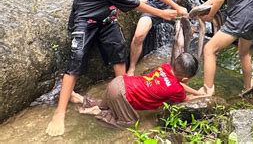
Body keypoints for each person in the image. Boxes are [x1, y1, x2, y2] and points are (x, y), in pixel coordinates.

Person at [46, 0, 188, 136]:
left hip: (105, 19)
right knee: (77, 58)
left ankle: (123, 95)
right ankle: (59, 112)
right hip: (85, 20)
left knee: (118, 49)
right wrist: (162, 14)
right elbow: (136, 4)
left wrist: (176, 7)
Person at [71, 52, 205, 128]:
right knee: (130, 122)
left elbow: (179, 85)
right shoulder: (175, 89)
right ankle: (97, 113)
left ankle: (80, 99)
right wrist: (204, 96)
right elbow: (186, 99)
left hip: (119, 82)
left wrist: (197, 91)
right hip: (121, 94)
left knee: (107, 104)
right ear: (186, 77)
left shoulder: (165, 67)